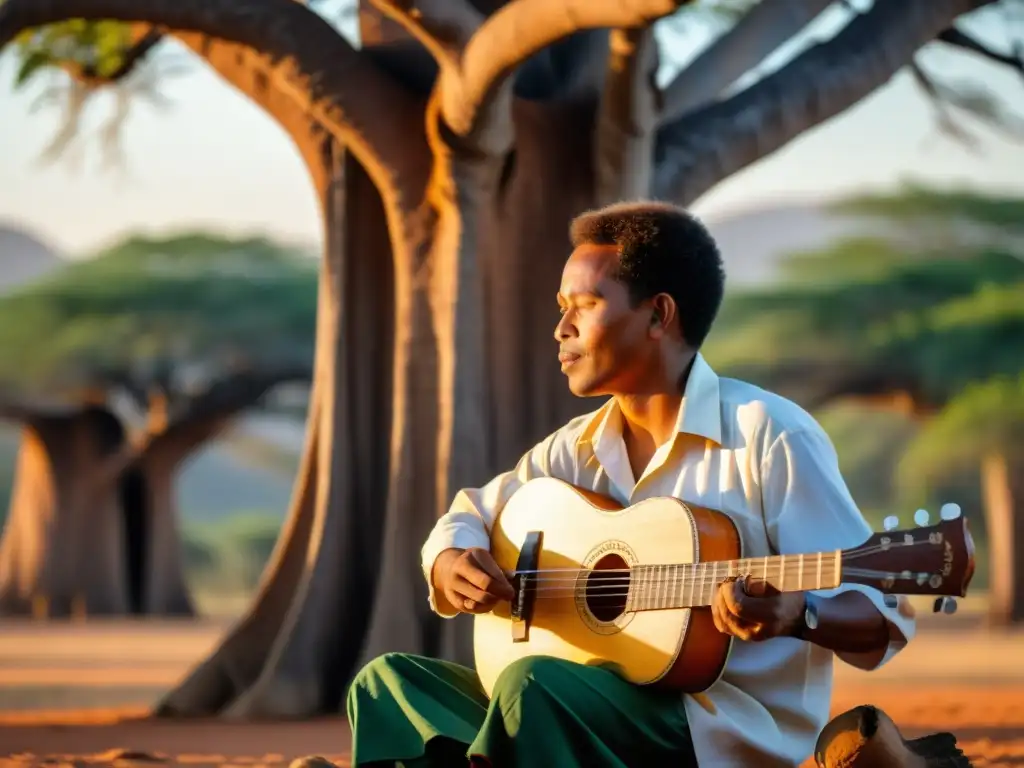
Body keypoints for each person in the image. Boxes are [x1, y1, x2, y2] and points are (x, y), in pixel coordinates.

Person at [346, 201, 917, 767]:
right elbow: (468, 514)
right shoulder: (573, 447)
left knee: (534, 688)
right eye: (560, 307)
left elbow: (882, 608)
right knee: (387, 682)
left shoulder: (768, 434)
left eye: (584, 306)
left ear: (657, 315)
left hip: (712, 732)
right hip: (570, 704)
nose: (560, 328)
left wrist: (799, 616)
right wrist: (451, 561)